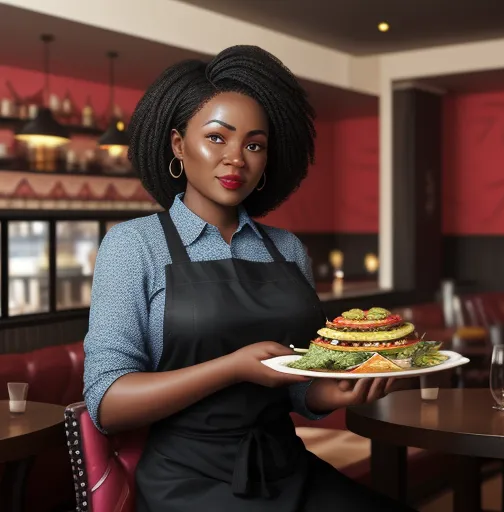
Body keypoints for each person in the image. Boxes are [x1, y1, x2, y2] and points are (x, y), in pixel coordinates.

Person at [84, 45, 415, 511]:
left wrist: (339, 387)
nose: (236, 157)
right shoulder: (133, 246)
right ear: (179, 145)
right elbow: (106, 402)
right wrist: (232, 367)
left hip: (286, 468)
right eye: (217, 138)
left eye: (253, 144)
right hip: (189, 480)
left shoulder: (287, 248)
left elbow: (298, 381)